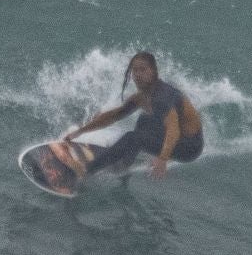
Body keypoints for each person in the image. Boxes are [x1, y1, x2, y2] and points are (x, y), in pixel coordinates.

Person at [58, 51, 204, 183]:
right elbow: (113, 116)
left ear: (153, 72)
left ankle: (84, 172)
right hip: (175, 136)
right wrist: (81, 131)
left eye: (143, 70)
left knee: (133, 137)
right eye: (135, 70)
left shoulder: (162, 97)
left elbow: (173, 130)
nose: (138, 74)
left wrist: (163, 158)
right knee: (143, 121)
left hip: (190, 147)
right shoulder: (142, 97)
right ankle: (124, 163)